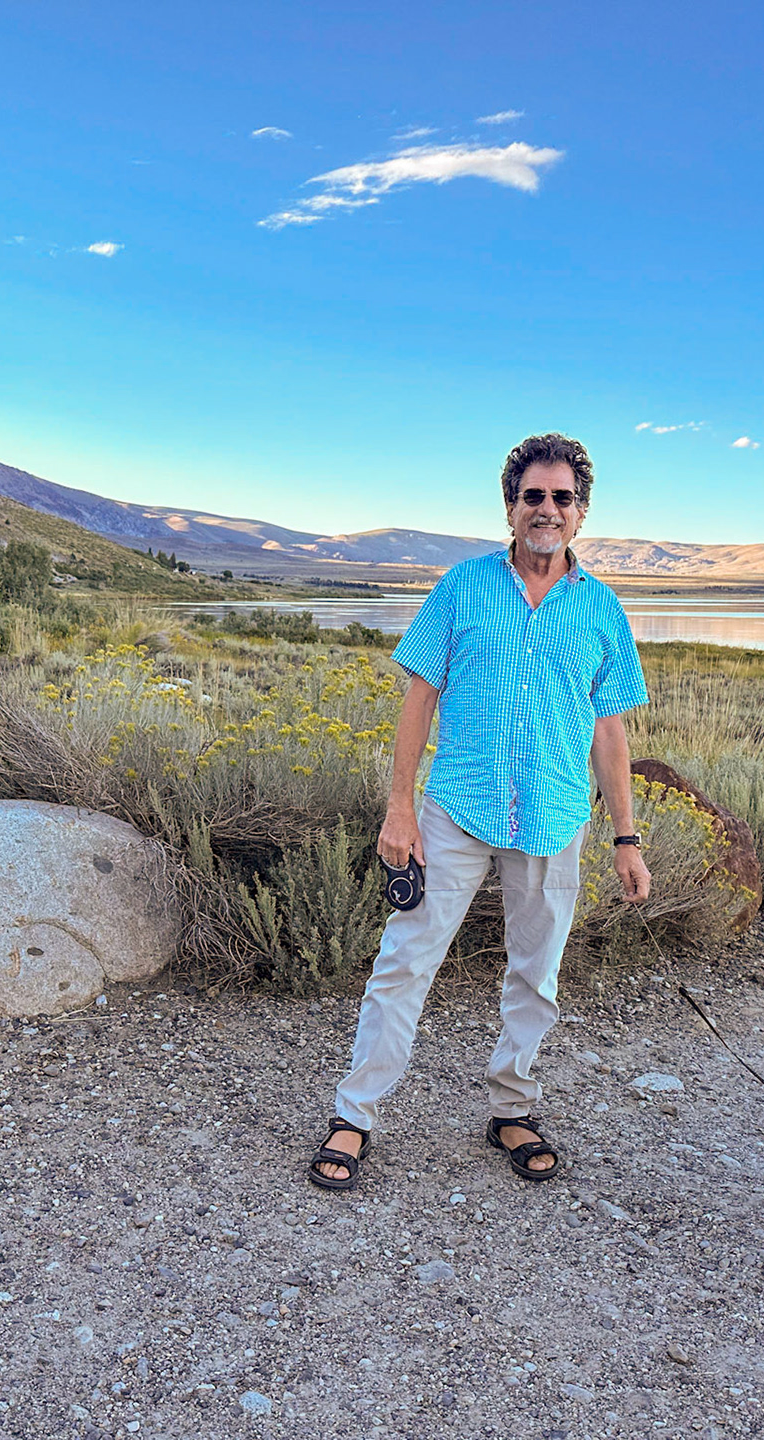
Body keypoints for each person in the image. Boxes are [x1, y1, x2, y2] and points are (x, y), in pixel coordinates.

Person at [308, 432, 651, 1191]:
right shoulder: (462, 587)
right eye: (535, 496)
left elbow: (610, 729)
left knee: (537, 976)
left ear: (581, 512)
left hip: (556, 818)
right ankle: (354, 1115)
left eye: (563, 498)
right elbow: (419, 696)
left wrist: (627, 837)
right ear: (510, 506)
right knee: (404, 965)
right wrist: (399, 811)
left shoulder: (601, 609)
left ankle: (513, 1107)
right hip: (455, 810)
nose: (548, 509)